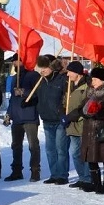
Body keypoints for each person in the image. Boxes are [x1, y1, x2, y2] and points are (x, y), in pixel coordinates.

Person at [4, 57, 41, 182]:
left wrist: (23, 92)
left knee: (33, 146)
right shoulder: (14, 78)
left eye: (17, 61)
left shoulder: (33, 75)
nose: (15, 63)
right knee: (16, 145)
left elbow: (38, 93)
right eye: (14, 61)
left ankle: (35, 171)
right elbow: (12, 99)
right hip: (17, 118)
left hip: (30, 116)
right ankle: (16, 171)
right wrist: (8, 114)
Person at [80, 67, 104, 194]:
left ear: (103, 80)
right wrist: (84, 113)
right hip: (89, 128)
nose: (93, 81)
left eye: (95, 79)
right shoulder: (90, 92)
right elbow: (83, 106)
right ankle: (96, 183)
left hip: (103, 128)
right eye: (92, 79)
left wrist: (99, 112)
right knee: (91, 157)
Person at [35, 56, 70, 185]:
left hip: (59, 120)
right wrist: (27, 100)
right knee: (50, 149)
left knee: (61, 148)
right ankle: (54, 174)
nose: (42, 70)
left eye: (44, 68)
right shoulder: (42, 82)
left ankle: (62, 175)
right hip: (46, 119)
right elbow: (38, 97)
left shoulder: (62, 80)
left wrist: (63, 112)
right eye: (40, 68)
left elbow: (67, 98)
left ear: (52, 67)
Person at [62, 61, 91, 189]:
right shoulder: (69, 86)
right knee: (75, 153)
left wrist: (72, 116)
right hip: (71, 125)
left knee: (84, 153)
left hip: (81, 124)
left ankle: (88, 178)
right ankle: (82, 177)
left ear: (77, 73)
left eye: (69, 71)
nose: (67, 74)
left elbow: (85, 106)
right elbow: (64, 102)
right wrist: (62, 112)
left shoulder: (86, 87)